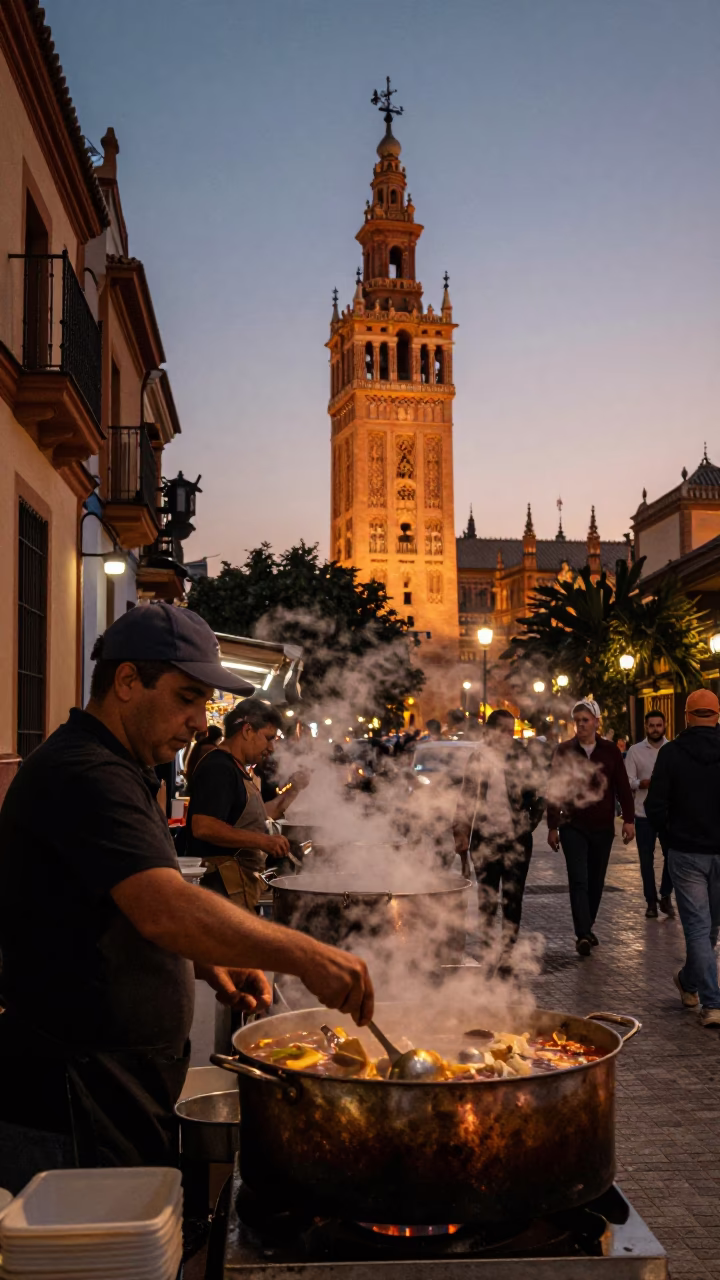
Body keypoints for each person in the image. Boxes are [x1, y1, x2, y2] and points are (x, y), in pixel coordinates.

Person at [0, 603, 373, 1192]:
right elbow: (164, 907)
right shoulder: (85, 773)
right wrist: (307, 955)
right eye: (187, 697)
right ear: (127, 682)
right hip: (75, 1092)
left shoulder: (121, 768)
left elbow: (116, 907)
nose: (202, 721)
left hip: (115, 1080)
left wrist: (206, 958)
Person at [187, 698, 307, 912]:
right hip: (220, 889)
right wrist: (263, 841)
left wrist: (294, 790)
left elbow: (263, 815)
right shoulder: (218, 767)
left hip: (238, 885)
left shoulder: (237, 768)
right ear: (248, 730)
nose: (271, 748)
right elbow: (204, 826)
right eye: (268, 738)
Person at [645, 689, 720, 1028]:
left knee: (700, 929)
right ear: (717, 716)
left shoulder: (672, 753)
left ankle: (705, 996)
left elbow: (654, 805)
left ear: (686, 717)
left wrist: (671, 836)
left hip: (687, 852)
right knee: (710, 930)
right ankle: (702, 991)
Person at [453, 709, 544, 969]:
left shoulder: (523, 757)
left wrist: (528, 824)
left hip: (516, 839)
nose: (507, 735)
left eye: (510, 729)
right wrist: (461, 831)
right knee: (487, 897)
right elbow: (467, 797)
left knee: (513, 897)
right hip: (485, 839)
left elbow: (539, 795)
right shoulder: (478, 758)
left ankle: (507, 950)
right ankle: (488, 947)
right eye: (502, 730)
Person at [547, 699, 635, 956]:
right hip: (572, 825)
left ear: (597, 722)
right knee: (578, 879)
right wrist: (553, 826)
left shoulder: (610, 751)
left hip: (602, 827)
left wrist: (629, 819)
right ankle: (582, 934)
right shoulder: (564, 751)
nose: (582, 725)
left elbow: (622, 787)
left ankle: (588, 924)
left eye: (586, 720)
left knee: (596, 881)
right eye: (578, 721)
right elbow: (554, 790)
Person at [624, 710, 673, 918]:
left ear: (665, 725)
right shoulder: (635, 751)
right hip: (643, 813)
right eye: (651, 725)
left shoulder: (673, 750)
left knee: (672, 856)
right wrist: (642, 783)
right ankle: (650, 901)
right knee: (646, 859)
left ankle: (666, 895)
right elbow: (628, 781)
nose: (655, 729)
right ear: (646, 727)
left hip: (669, 813)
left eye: (658, 725)